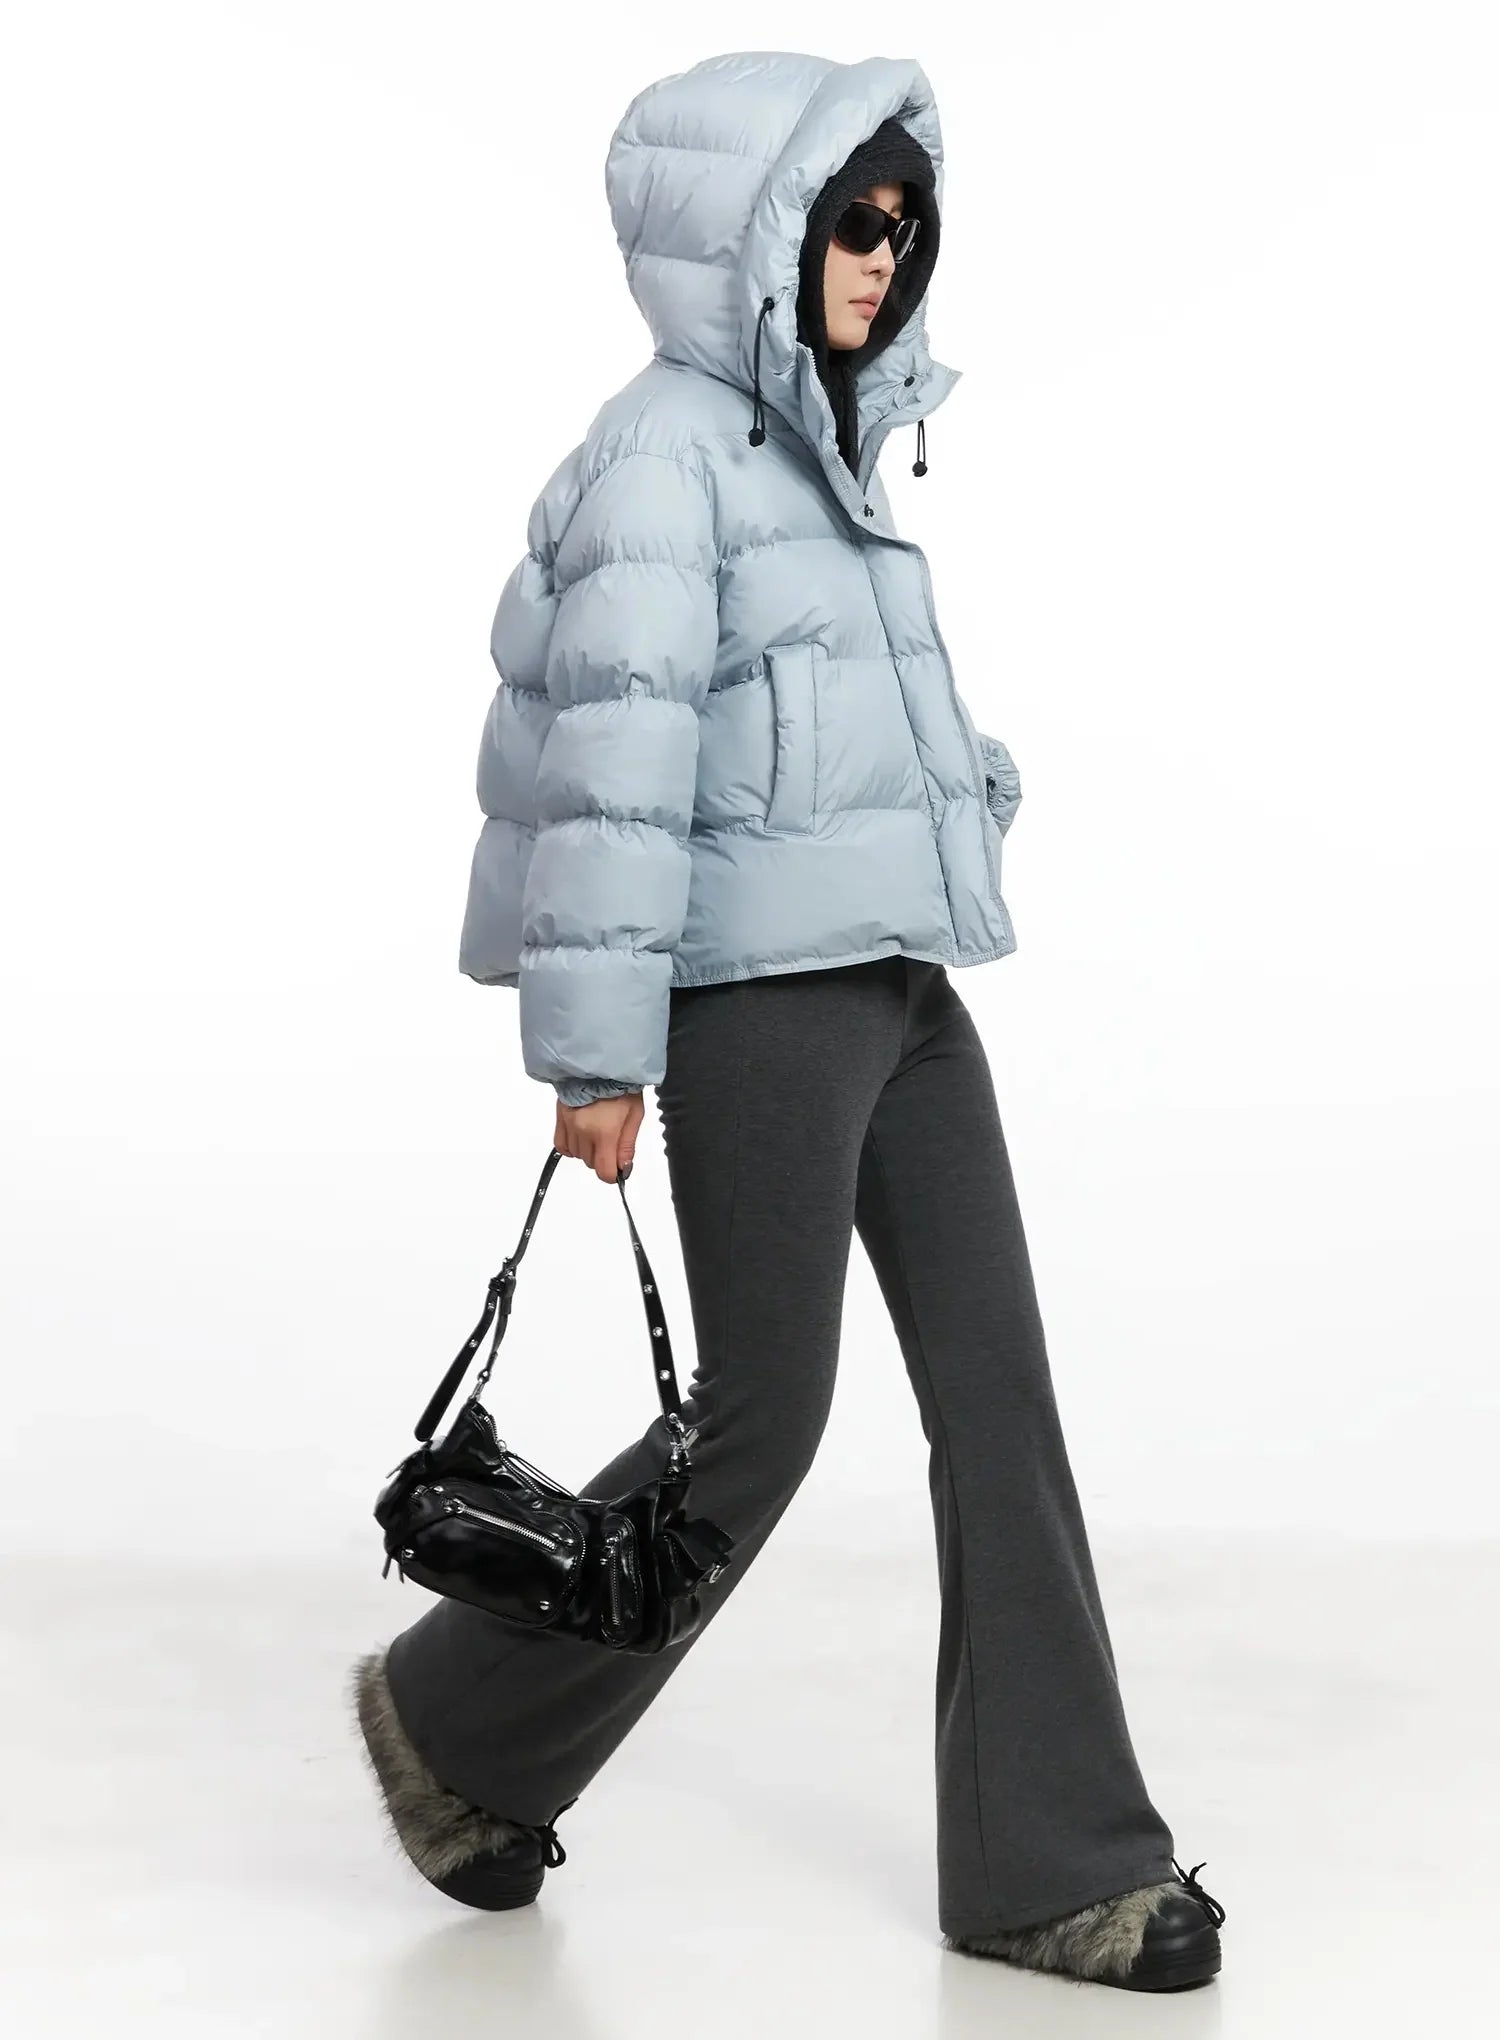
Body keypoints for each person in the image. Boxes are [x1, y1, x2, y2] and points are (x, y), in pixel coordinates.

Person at [349, 50, 1227, 1993]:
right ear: (753, 231)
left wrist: (961, 795)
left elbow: (823, 726)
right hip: (756, 1003)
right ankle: (462, 1727)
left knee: (998, 1401)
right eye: (852, 221)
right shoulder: (664, 457)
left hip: (901, 985)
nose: (884, 256)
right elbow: (616, 765)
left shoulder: (824, 444)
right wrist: (598, 1049)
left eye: (906, 226)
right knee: (768, 1417)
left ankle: (1053, 1863)